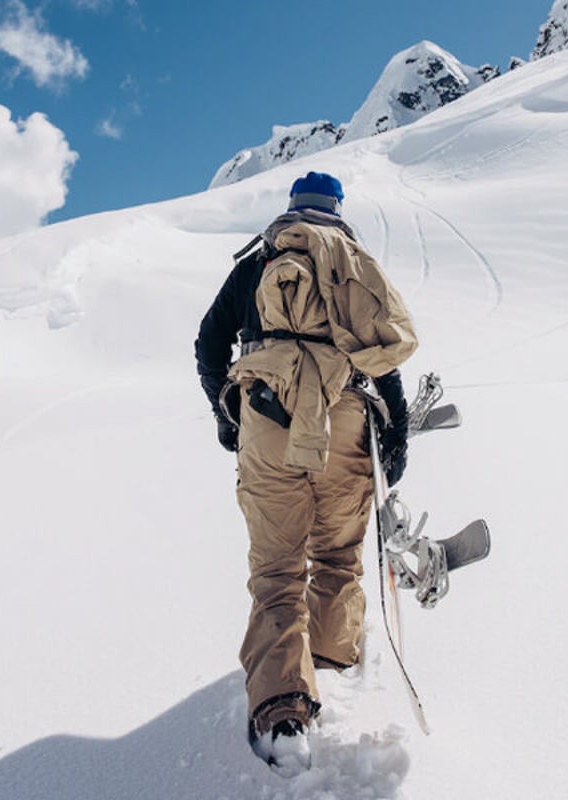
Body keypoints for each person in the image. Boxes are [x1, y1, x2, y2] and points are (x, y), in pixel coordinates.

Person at [194, 171, 417, 776]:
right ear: (338, 211)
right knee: (338, 550)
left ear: (291, 210)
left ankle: (282, 711)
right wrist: (394, 430)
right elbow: (384, 359)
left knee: (276, 567)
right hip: (345, 415)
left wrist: (226, 413)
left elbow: (208, 343)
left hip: (266, 419)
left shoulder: (257, 264)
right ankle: (333, 660)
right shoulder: (352, 265)